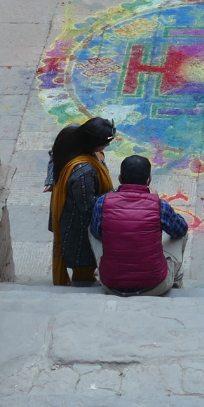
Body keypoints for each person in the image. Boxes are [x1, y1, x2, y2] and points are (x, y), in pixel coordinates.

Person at [90, 154, 188, 297]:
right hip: (154, 286)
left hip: (111, 284)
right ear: (149, 180)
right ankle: (175, 282)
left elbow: (96, 232)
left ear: (120, 179)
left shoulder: (102, 203)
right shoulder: (159, 205)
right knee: (181, 231)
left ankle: (101, 267)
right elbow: (180, 230)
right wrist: (155, 200)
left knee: (93, 227)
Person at [45, 117, 115, 286]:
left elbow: (55, 154)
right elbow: (88, 205)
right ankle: (83, 281)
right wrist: (114, 196)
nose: (107, 147)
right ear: (92, 143)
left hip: (66, 205)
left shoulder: (71, 134)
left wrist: (51, 178)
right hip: (77, 223)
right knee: (83, 261)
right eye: (105, 143)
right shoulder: (84, 171)